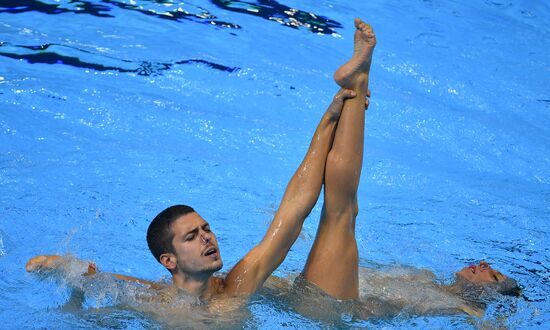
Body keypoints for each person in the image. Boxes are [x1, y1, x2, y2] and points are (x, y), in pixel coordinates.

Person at [26, 18, 518, 320]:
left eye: (206, 228)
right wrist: (63, 271)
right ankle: (360, 84)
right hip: (324, 310)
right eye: (193, 236)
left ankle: (357, 87)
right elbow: (94, 281)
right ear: (168, 261)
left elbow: (292, 211)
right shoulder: (152, 302)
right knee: (342, 214)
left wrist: (326, 121)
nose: (208, 237)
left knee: (336, 213)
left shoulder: (238, 285)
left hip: (323, 312)